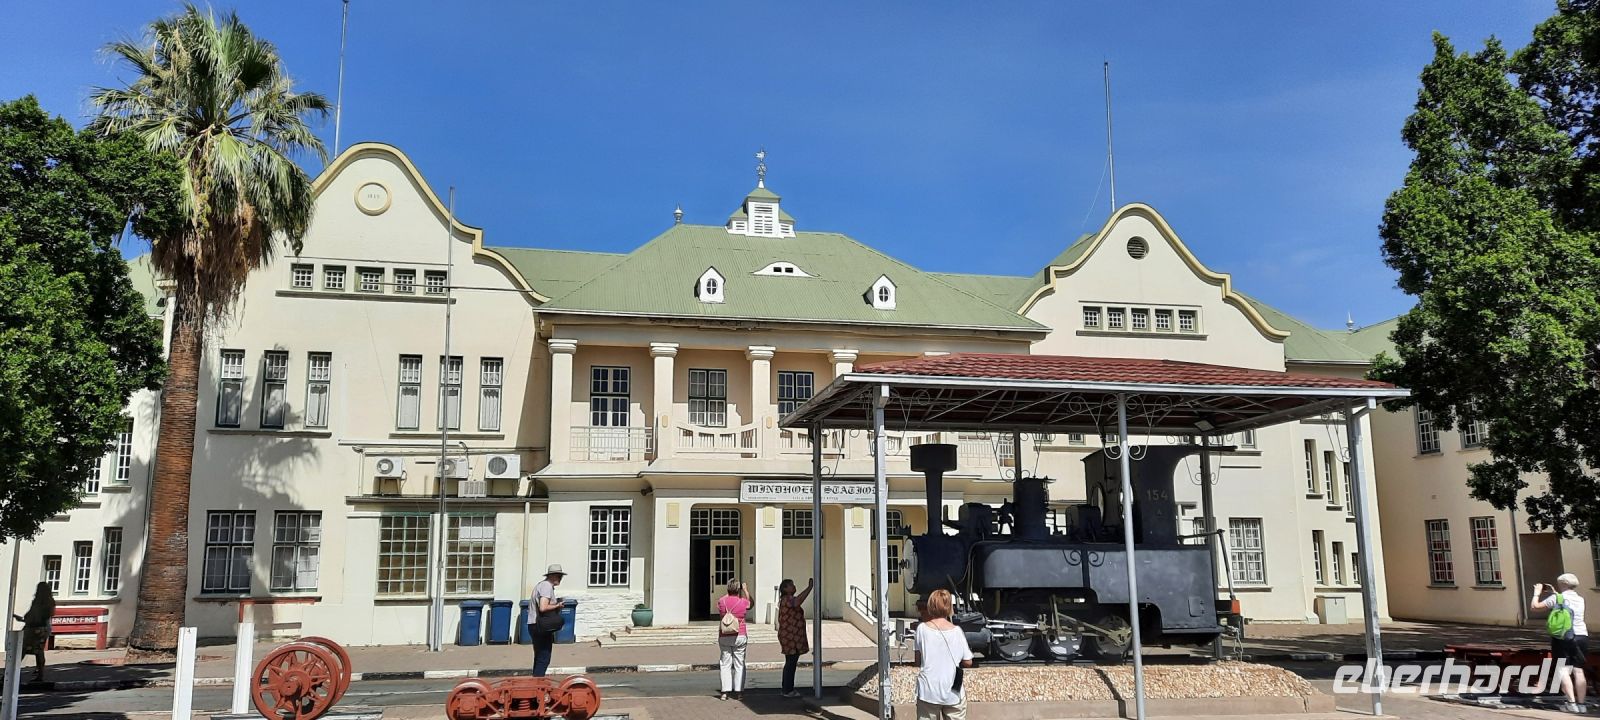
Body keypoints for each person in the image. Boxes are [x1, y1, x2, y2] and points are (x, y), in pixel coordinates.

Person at [1533, 574, 1588, 713]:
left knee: (1563, 669)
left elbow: (1535, 607)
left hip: (1563, 636)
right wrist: (1555, 594)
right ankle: (1582, 705)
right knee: (1578, 670)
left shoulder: (1555, 598)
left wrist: (1536, 593)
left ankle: (1571, 703)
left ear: (1562, 584)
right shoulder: (1580, 599)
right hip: (1581, 635)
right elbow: (1564, 602)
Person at [914, 589, 972, 720]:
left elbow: (917, 661)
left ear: (930, 606)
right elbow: (968, 661)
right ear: (949, 607)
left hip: (928, 690)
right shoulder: (957, 631)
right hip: (952, 690)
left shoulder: (922, 629)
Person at [777, 578, 814, 698]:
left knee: (791, 662)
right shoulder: (787, 599)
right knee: (791, 663)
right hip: (790, 637)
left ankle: (787, 688)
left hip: (792, 636)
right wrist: (809, 588)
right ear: (785, 589)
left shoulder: (787, 599)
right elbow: (798, 601)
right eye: (791, 585)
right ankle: (788, 689)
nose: (794, 587)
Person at [716, 579, 751, 701]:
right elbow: (750, 604)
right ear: (738, 590)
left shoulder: (722, 601)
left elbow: (721, 603)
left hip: (724, 635)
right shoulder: (742, 602)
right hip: (740, 634)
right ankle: (739, 692)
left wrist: (729, 592)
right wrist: (745, 590)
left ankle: (724, 692)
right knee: (739, 663)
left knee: (725, 663)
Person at [529, 565, 566, 677]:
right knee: (544, 657)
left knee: (540, 656)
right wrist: (557, 605)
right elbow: (543, 607)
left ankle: (535, 682)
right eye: (558, 576)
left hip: (535, 625)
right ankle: (538, 685)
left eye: (561, 576)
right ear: (551, 576)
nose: (560, 578)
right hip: (540, 626)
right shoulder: (546, 586)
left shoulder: (542, 585)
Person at [15, 582, 54, 682]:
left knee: (21, 650)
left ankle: (12, 672)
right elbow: (47, 616)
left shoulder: (37, 602)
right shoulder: (50, 602)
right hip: (43, 629)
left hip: (32, 629)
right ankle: (40, 674)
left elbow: (31, 615)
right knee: (39, 651)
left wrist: (24, 619)